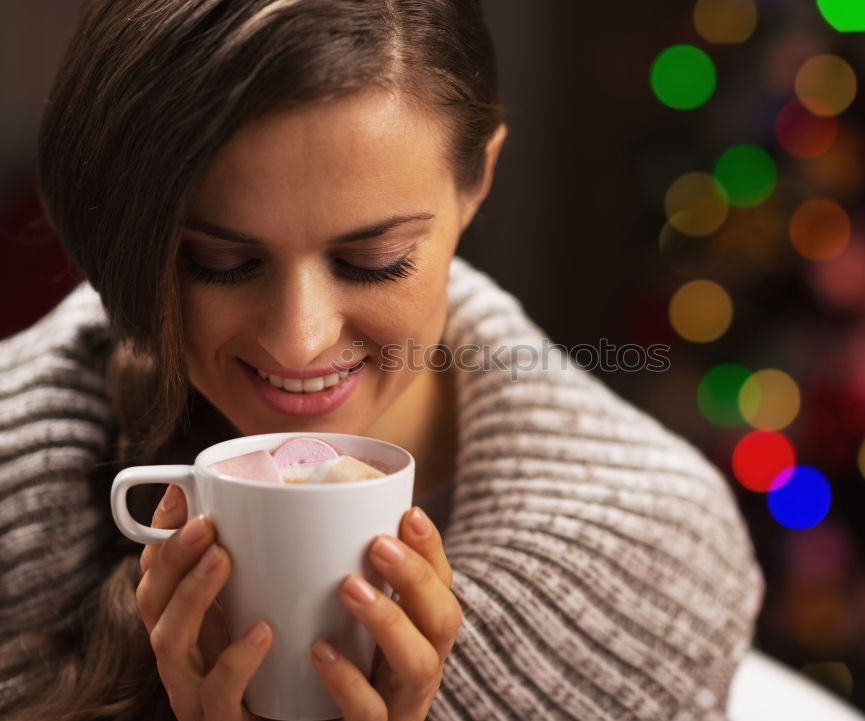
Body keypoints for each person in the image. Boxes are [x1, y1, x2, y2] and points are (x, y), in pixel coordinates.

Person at [0, 1, 765, 719]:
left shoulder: (655, 563)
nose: (299, 341)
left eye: (374, 260)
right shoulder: (17, 463)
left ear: (477, 183)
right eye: (220, 261)